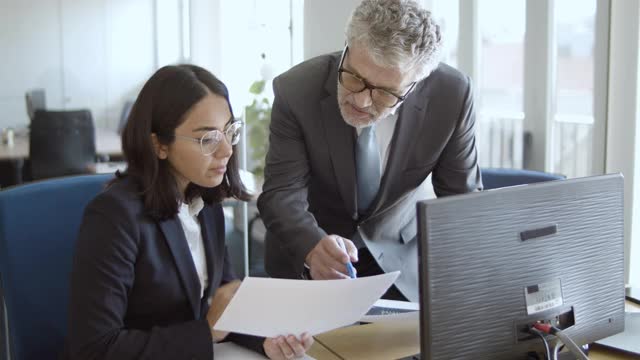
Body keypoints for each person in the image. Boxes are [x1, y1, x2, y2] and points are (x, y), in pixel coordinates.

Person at [64, 65, 313, 360]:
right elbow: (95, 349)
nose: (226, 151)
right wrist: (206, 332)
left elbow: (223, 306)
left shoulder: (205, 203)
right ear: (159, 145)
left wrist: (263, 341)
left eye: (229, 132)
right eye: (207, 138)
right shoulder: (114, 217)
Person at [257, 0, 482, 302]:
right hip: (310, 257)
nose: (362, 101)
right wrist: (312, 246)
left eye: (386, 93)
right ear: (347, 45)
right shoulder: (297, 89)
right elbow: (281, 193)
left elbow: (462, 203)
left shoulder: (452, 95)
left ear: (416, 84)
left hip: (400, 265)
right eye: (354, 78)